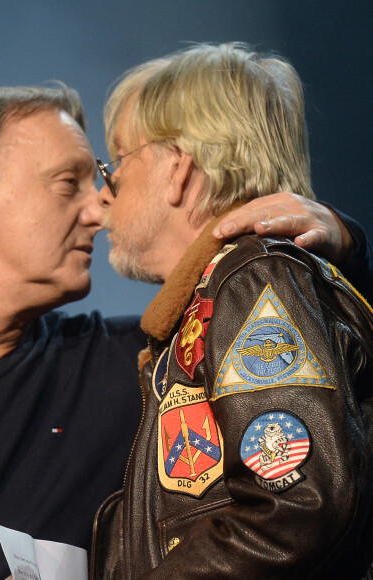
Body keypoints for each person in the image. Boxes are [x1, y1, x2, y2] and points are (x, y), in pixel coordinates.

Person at [0, 85, 369, 580]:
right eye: (68, 182)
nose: (101, 207)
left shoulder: (138, 365)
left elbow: (325, 381)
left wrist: (344, 244)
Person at [91, 43, 373, 579]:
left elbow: (294, 509)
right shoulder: (227, 293)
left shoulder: (252, 281)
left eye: (117, 163)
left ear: (177, 168)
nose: (104, 195)